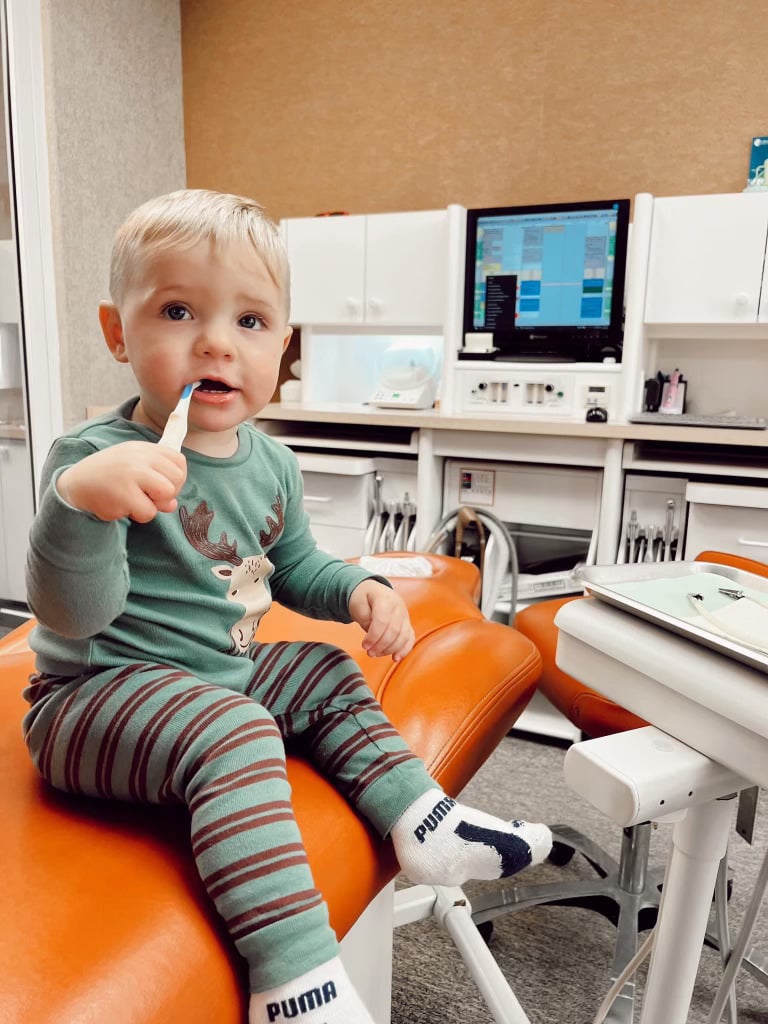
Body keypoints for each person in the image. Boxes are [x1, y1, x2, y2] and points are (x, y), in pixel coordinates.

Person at [22, 189, 552, 1024]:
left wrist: (356, 590)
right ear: (117, 332)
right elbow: (71, 614)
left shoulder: (270, 463)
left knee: (322, 670)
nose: (215, 343)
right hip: (92, 703)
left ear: (284, 345)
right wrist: (81, 507)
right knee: (237, 730)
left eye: (252, 322)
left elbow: (296, 564)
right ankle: (298, 982)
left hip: (217, 676)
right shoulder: (95, 458)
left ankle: (424, 823)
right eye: (177, 310)